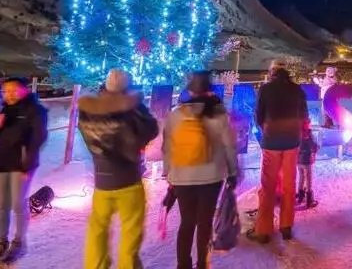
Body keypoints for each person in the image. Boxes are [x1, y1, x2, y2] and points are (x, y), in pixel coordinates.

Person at [78, 69, 159, 269]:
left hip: (102, 182)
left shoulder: (89, 110)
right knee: (131, 232)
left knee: (98, 229)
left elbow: (87, 136)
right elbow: (151, 129)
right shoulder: (131, 109)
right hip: (128, 181)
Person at [164, 71, 239, 269]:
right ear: (209, 90)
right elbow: (229, 146)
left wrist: (168, 174)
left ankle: (183, 265)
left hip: (181, 176)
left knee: (187, 223)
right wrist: (232, 172)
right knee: (204, 224)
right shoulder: (218, 114)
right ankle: (203, 264)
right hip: (211, 177)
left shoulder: (175, 115)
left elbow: (167, 147)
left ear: (189, 90)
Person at [0, 77, 48, 266]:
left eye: (12, 90)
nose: (8, 94)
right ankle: (0, 242)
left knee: (18, 204)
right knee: (1, 205)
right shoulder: (6, 109)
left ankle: (18, 242)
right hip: (2, 162)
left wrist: (27, 165)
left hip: (22, 164)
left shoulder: (35, 110)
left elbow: (38, 138)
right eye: (4, 91)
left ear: (23, 90)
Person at [247, 60, 307, 243]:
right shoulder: (297, 90)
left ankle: (263, 230)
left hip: (271, 142)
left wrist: (267, 128)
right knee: (289, 185)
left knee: (268, 186)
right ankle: (286, 226)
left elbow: (258, 115)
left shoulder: (265, 89)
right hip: (291, 143)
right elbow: (304, 115)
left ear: (272, 72)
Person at [296, 118, 319, 208]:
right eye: (309, 123)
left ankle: (300, 196)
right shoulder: (309, 134)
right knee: (308, 179)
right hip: (307, 160)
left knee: (301, 177)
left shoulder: (297, 134)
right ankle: (309, 200)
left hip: (298, 160)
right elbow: (313, 145)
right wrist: (315, 150)